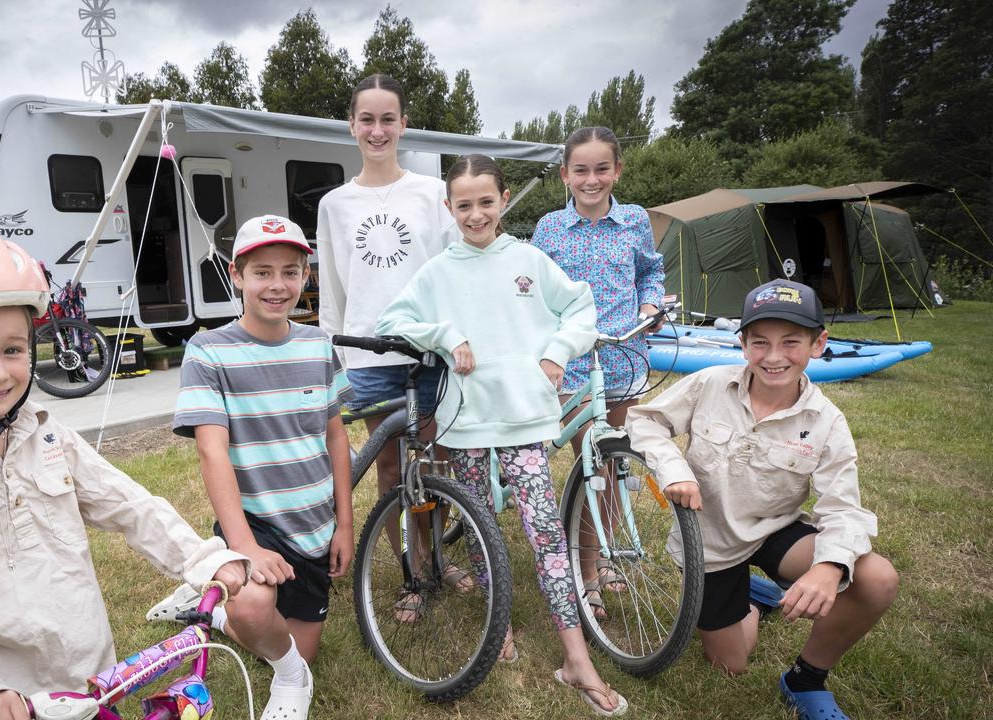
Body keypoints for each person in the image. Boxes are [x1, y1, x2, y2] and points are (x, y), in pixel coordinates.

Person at [0, 231, 248, 720]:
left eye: (15, 350)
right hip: (2, 699)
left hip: (88, 681)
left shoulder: (45, 433)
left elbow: (128, 503)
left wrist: (200, 559)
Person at [377, 155, 628, 717]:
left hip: (524, 421)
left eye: (486, 202)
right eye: (463, 205)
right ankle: (500, 626)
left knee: (544, 537)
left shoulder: (528, 260)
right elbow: (393, 319)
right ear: (449, 208)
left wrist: (556, 353)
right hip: (466, 424)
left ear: (504, 199)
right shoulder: (438, 271)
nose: (475, 214)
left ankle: (576, 659)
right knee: (483, 527)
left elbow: (580, 306)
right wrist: (445, 335)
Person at [626, 279, 899, 720]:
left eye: (791, 342)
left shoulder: (827, 420)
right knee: (729, 666)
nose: (774, 357)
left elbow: (843, 507)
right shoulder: (710, 384)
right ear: (742, 343)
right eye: (760, 342)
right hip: (711, 544)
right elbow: (644, 421)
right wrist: (673, 469)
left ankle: (805, 680)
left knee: (877, 578)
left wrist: (830, 567)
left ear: (818, 343)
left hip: (776, 530)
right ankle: (755, 599)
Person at [167, 215, 354, 720]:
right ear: (237, 275)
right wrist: (245, 545)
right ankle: (233, 602)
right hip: (256, 524)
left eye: (290, 272)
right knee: (261, 619)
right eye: (263, 272)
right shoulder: (208, 351)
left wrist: (345, 525)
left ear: (305, 276)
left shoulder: (320, 345)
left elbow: (336, 436)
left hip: (314, 530)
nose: (277, 285)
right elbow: (211, 452)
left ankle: (207, 603)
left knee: (296, 644)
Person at [530, 126, 665, 617]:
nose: (591, 180)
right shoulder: (549, 228)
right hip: (574, 364)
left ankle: (603, 557)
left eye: (601, 169)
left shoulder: (633, 220)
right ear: (565, 175)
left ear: (617, 170)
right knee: (592, 467)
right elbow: (535, 290)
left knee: (612, 463)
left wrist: (650, 303)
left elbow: (650, 269)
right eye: (581, 170)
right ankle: (586, 571)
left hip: (623, 357)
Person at [316, 73, 453, 498]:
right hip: (366, 354)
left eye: (388, 119)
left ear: (403, 124)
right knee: (390, 470)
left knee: (437, 461)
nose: (378, 131)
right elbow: (333, 290)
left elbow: (453, 270)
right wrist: (331, 356)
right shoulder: (334, 204)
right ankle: (411, 562)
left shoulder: (434, 192)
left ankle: (439, 565)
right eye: (368, 119)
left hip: (429, 349)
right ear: (351, 125)